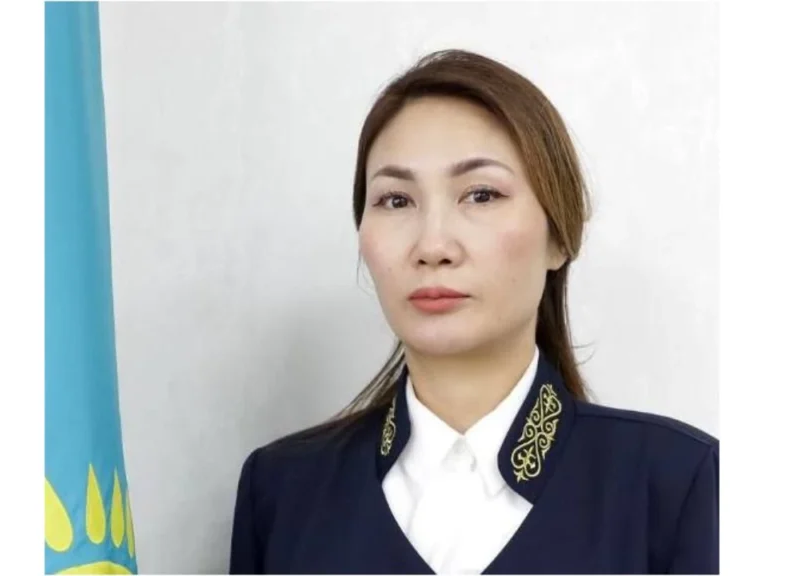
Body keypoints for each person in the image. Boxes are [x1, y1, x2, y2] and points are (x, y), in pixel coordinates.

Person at [228, 49, 718, 575]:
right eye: (396, 200)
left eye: (481, 195)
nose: (432, 245)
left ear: (559, 237)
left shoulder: (676, 485)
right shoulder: (283, 491)